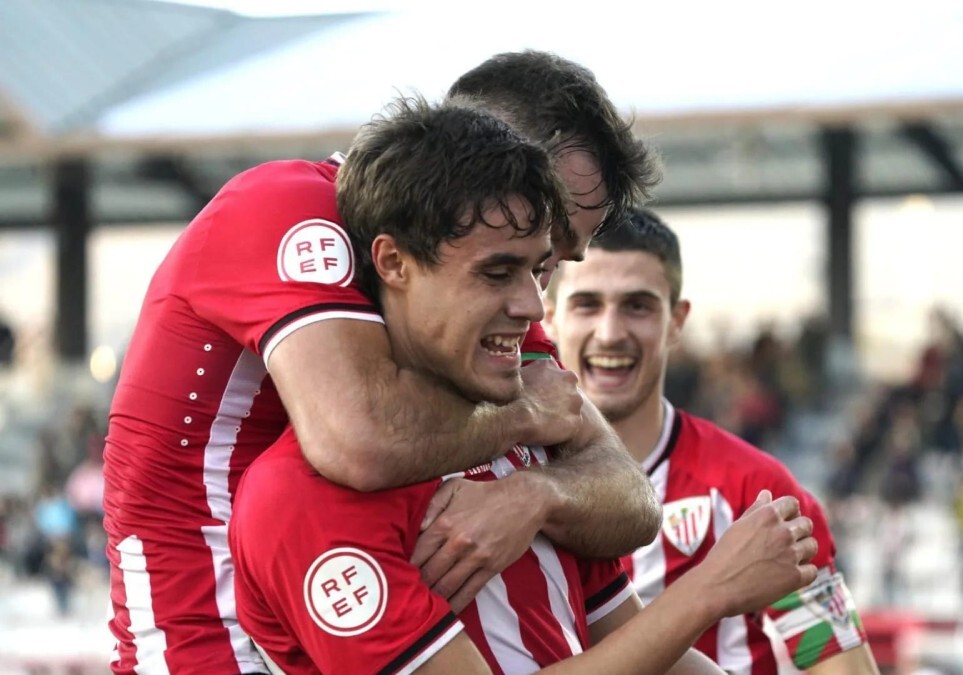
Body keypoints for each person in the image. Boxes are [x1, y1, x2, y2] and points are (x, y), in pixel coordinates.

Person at [103, 49, 661, 673]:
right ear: (480, 149)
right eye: (532, 245)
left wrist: (538, 492)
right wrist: (530, 416)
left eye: (550, 260)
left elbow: (629, 496)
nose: (535, 294)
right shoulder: (286, 207)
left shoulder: (472, 283)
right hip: (204, 638)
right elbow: (360, 440)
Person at [230, 96, 819, 674]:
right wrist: (708, 593)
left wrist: (541, 495)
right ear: (393, 263)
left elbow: (642, 649)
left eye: (540, 270)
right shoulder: (303, 498)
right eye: (497, 272)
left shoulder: (535, 448)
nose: (532, 305)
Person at [545, 208, 879, 674]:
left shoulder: (756, 490)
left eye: (638, 305)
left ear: (677, 321)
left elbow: (839, 665)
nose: (611, 332)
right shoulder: (505, 486)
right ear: (549, 317)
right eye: (587, 304)